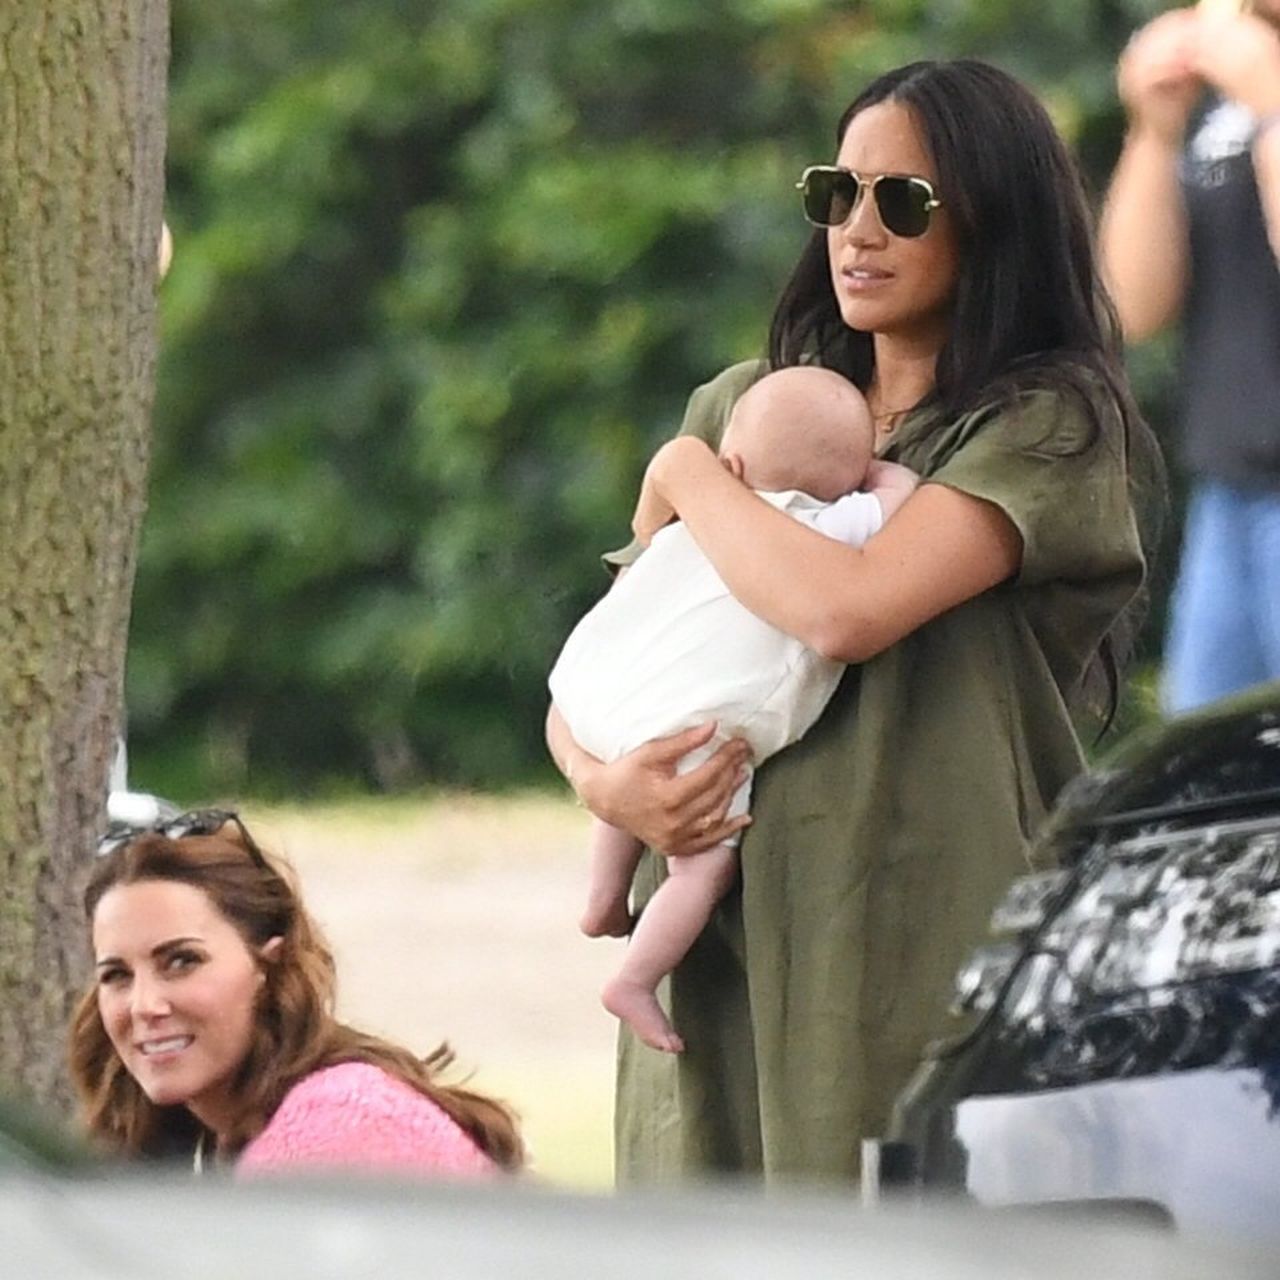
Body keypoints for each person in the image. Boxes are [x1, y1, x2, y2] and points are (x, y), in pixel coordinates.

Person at [546, 59, 1164, 1185]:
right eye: (837, 192)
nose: (857, 230)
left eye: (904, 202)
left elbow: (845, 609)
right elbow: (616, 653)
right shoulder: (752, 407)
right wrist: (605, 785)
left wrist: (689, 472)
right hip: (718, 944)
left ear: (994, 225)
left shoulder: (1044, 428)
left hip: (910, 933)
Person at [549, 366, 919, 1054]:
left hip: (598, 694)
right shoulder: (831, 525)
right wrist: (876, 474)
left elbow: (643, 538)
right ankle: (634, 978)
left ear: (731, 461)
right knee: (703, 867)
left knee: (635, 757)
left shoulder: (692, 524)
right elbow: (903, 497)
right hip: (698, 727)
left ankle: (604, 896)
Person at [69, 810, 524, 1177]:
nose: (145, 1005)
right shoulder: (241, 1134)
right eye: (117, 975)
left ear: (270, 963)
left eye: (182, 962)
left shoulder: (338, 1127)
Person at [1100, 1, 1280, 713]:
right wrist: (1155, 128)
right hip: (1230, 494)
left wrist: (1270, 95)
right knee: (1208, 787)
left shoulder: (1256, 79)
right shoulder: (1227, 89)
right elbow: (1135, 307)